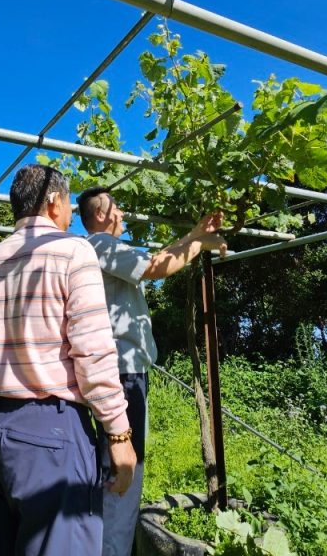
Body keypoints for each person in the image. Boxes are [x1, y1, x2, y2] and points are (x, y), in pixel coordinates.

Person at [0, 164, 137, 556]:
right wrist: (119, 435)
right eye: (70, 203)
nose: (72, 213)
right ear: (54, 201)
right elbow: (92, 350)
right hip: (47, 435)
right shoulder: (73, 250)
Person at [76, 187, 227, 556]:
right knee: (125, 470)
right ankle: (112, 548)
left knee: (112, 466)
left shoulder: (99, 250)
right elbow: (157, 267)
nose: (123, 213)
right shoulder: (99, 244)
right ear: (100, 215)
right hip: (122, 374)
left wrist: (194, 233)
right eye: (117, 207)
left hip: (121, 372)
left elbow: (155, 258)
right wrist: (201, 244)